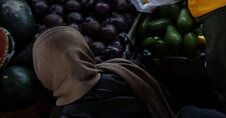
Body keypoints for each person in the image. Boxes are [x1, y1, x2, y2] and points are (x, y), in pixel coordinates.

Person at [33, 25, 176, 118]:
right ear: (84, 51)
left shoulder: (71, 114)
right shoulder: (121, 69)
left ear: (45, 73)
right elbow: (166, 96)